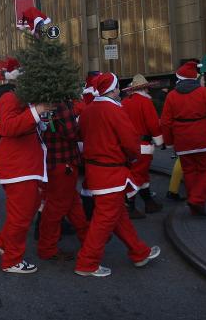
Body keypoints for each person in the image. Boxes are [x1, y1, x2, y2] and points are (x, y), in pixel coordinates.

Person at [75, 73, 160, 277]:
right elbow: (130, 142)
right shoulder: (114, 110)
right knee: (104, 219)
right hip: (111, 171)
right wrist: (133, 158)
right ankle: (86, 263)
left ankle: (139, 253)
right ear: (112, 90)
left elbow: (80, 136)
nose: (119, 92)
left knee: (118, 216)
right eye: (117, 88)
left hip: (95, 170)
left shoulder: (88, 110)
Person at [0, 58, 49, 273]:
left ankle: (1, 242)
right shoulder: (9, 97)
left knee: (27, 209)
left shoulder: (15, 97)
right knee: (21, 217)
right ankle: (12, 260)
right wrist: (38, 110)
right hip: (19, 168)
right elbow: (6, 127)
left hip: (25, 166)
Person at [160, 61, 206, 216]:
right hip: (205, 140)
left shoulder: (171, 96)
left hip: (182, 142)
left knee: (190, 172)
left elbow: (166, 122)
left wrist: (169, 142)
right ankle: (197, 200)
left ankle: (196, 204)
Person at [37, 99, 89, 261]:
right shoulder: (61, 103)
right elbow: (71, 132)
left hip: (54, 161)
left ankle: (87, 239)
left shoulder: (46, 102)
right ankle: (47, 248)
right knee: (56, 208)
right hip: (64, 162)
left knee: (73, 204)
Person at [121, 74, 164, 218]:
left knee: (142, 174)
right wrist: (160, 140)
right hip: (143, 145)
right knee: (138, 175)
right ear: (144, 88)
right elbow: (153, 124)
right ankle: (129, 205)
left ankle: (149, 203)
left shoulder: (124, 102)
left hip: (128, 144)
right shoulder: (145, 103)